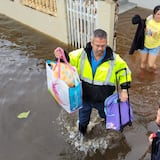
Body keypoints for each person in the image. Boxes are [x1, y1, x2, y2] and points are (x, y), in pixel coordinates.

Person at [54, 29, 132, 136]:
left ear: (106, 44)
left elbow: (125, 73)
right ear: (91, 43)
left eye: (103, 45)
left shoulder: (115, 60)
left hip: (104, 100)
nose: (100, 48)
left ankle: (109, 133)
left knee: (108, 118)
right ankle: (82, 136)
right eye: (97, 45)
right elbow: (67, 62)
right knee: (83, 121)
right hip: (85, 98)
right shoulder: (80, 55)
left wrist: (124, 90)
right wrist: (61, 56)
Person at [139, 5, 160, 73]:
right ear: (154, 14)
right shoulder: (149, 20)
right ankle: (142, 74)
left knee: (150, 65)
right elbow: (143, 28)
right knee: (142, 64)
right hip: (145, 45)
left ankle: (155, 71)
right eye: (158, 14)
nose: (159, 16)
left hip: (154, 46)